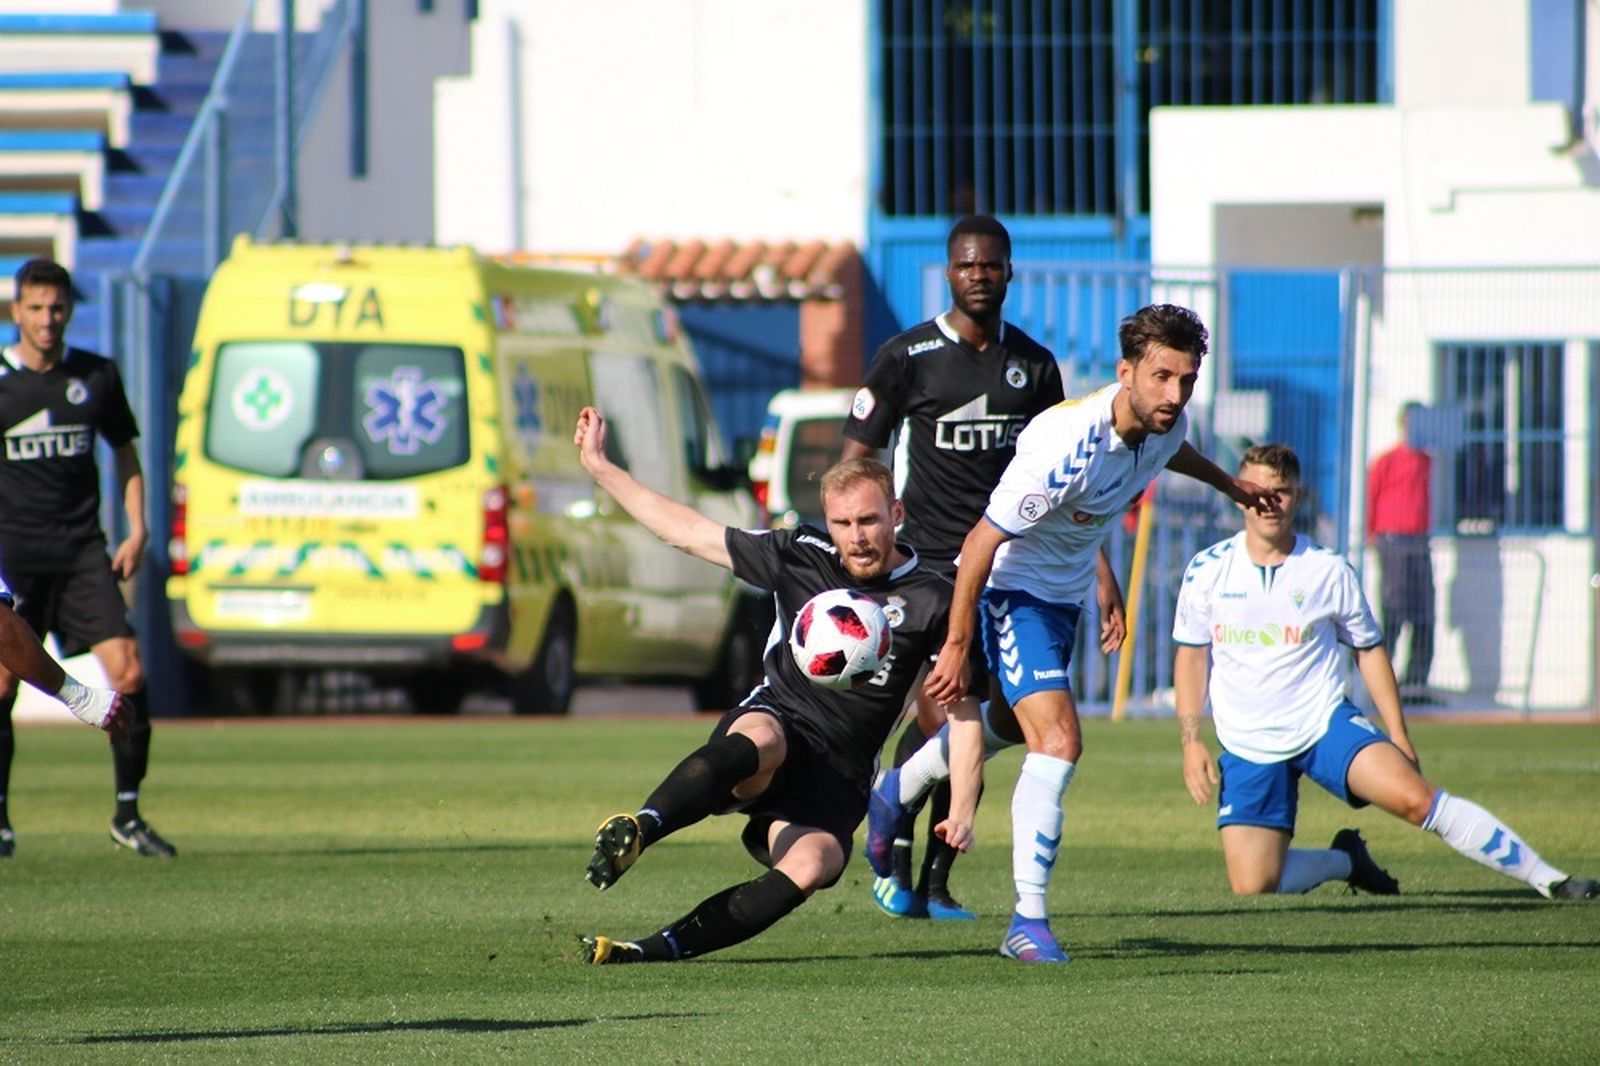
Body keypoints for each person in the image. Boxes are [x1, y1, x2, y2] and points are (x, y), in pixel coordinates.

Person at [910, 303, 1281, 963]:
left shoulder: (1165, 424)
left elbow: (1173, 452)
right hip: (1011, 590)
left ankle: (898, 788)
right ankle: (1027, 919)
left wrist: (1230, 485)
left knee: (1006, 723)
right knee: (1058, 739)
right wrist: (959, 642)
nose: (1175, 394)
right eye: (1162, 376)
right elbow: (982, 542)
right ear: (1125, 372)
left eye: (1187, 380)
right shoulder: (1065, 442)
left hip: (1064, 599)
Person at [571, 406, 983, 964]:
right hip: (780, 721)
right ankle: (642, 828)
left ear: (897, 514)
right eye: (843, 524)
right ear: (828, 521)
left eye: (869, 521)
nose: (856, 538)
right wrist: (602, 469)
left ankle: (651, 950)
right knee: (762, 739)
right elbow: (687, 533)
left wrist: (960, 809)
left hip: (839, 776)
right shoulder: (800, 555)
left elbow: (962, 714)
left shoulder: (938, 597)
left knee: (814, 865)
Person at [1173, 443, 1596, 901]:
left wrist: (1398, 733)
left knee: (1417, 800)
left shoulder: (1327, 570)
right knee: (1254, 886)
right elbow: (1192, 657)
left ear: (1298, 496)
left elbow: (1368, 650)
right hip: (1246, 741)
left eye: (1283, 491)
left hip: (1321, 724)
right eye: (1259, 491)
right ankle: (1346, 861)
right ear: (1238, 495)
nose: (1270, 502)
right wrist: (1192, 739)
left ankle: (1552, 880)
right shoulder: (1207, 571)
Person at [841, 214, 1114, 920]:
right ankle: (899, 866)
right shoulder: (908, 356)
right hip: (931, 563)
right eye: (967, 265)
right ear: (949, 272)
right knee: (945, 704)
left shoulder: (1035, 364)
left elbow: (1071, 476)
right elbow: (855, 458)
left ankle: (933, 878)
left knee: (992, 717)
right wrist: (862, 540)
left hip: (1011, 563)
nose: (979, 276)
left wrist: (1101, 570)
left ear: (1009, 271)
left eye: (991, 266)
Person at [0, 259, 173, 858]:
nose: (48, 320)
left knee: (128, 672)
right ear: (16, 311)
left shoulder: (95, 376)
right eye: (36, 308)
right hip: (14, 554)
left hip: (82, 552)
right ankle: (0, 820)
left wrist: (138, 527)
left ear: (69, 309)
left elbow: (125, 453)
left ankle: (128, 815)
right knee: (1, 685)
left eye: (57, 308)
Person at [1366, 402, 1435, 703]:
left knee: (1424, 611)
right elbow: (1371, 496)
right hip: (1392, 542)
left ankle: (1416, 682)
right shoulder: (1386, 461)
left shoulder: (1429, 461)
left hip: (1420, 541)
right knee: (1393, 611)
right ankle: (1381, 680)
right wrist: (1372, 534)